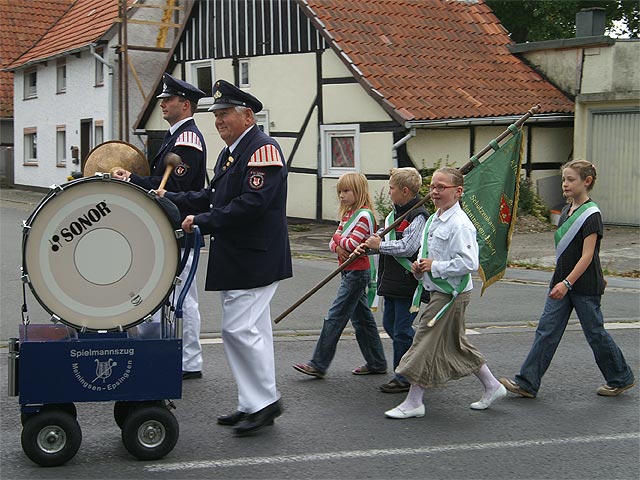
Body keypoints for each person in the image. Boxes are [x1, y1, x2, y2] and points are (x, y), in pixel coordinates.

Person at [158, 79, 292, 436]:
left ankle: (263, 402)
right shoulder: (232, 151)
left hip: (256, 257)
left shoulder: (263, 149)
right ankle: (254, 402)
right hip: (241, 256)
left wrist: (201, 221)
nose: (217, 120)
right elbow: (211, 195)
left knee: (238, 330)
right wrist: (170, 201)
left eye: (224, 113)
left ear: (247, 115)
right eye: (215, 114)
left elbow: (251, 204)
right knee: (252, 331)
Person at [499, 160, 635, 399]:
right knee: (546, 331)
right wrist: (561, 282)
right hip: (561, 282)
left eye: (571, 179)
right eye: (564, 179)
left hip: (580, 285)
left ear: (587, 181)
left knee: (595, 333)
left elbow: (588, 255)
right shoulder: (565, 211)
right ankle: (527, 382)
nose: (565, 184)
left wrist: (568, 283)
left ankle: (621, 378)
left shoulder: (592, 214)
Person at [384, 167, 506, 419]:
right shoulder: (433, 219)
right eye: (433, 187)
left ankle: (414, 401)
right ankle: (493, 386)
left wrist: (435, 266)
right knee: (457, 344)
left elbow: (469, 263)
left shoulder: (460, 225)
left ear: (458, 192)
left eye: (442, 187)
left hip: (451, 295)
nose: (435, 192)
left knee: (423, 342)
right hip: (438, 291)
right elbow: (427, 253)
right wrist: (420, 266)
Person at [113, 73, 207, 380]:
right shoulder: (173, 136)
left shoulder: (187, 139)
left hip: (181, 230)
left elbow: (175, 187)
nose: (163, 104)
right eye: (163, 100)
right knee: (160, 295)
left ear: (186, 104)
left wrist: (133, 180)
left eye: (168, 100)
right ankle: (161, 352)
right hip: (166, 230)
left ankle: (190, 361)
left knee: (183, 298)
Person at [293, 173, 387, 379]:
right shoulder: (348, 215)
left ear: (359, 192)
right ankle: (377, 362)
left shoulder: (363, 216)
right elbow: (333, 244)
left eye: (346, 191)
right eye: (339, 192)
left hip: (357, 272)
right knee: (362, 319)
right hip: (347, 270)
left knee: (334, 317)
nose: (341, 196)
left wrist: (337, 240)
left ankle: (318, 363)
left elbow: (351, 244)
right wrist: (338, 243)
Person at [354, 167, 429, 394]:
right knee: (390, 326)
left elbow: (409, 247)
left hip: (408, 281)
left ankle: (404, 375)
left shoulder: (418, 216)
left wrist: (380, 246)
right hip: (392, 281)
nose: (389, 193)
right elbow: (380, 239)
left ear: (405, 191)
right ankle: (418, 361)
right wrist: (367, 247)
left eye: (392, 188)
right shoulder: (393, 215)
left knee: (402, 330)